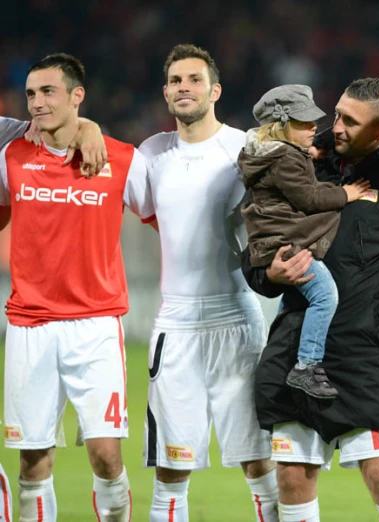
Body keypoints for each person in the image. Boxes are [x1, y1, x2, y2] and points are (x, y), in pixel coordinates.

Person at [244, 78, 379, 522]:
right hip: (296, 353)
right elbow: (261, 231)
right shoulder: (302, 163)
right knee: (291, 478)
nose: (336, 128)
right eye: (336, 115)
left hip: (369, 358)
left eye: (351, 120)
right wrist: (265, 273)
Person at [1, 53, 154, 522]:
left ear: (76, 96)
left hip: (95, 326)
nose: (37, 103)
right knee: (33, 459)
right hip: (30, 325)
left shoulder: (123, 159)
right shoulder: (10, 156)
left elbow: (166, 221)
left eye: (48, 92)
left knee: (106, 455)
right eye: (31, 94)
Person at [137, 44, 280, 522]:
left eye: (194, 79)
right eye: (175, 80)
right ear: (165, 91)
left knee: (259, 460)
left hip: (236, 316)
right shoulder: (151, 154)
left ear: (214, 90)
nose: (184, 88)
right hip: (175, 324)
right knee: (171, 470)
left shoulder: (245, 148)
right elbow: (147, 213)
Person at [240, 84, 371, 399]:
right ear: (283, 126)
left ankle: (301, 361)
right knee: (325, 298)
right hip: (290, 242)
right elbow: (309, 197)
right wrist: (347, 193)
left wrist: (307, 152)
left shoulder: (266, 153)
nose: (315, 127)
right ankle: (307, 366)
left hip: (272, 241)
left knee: (299, 300)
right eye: (304, 122)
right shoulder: (287, 158)